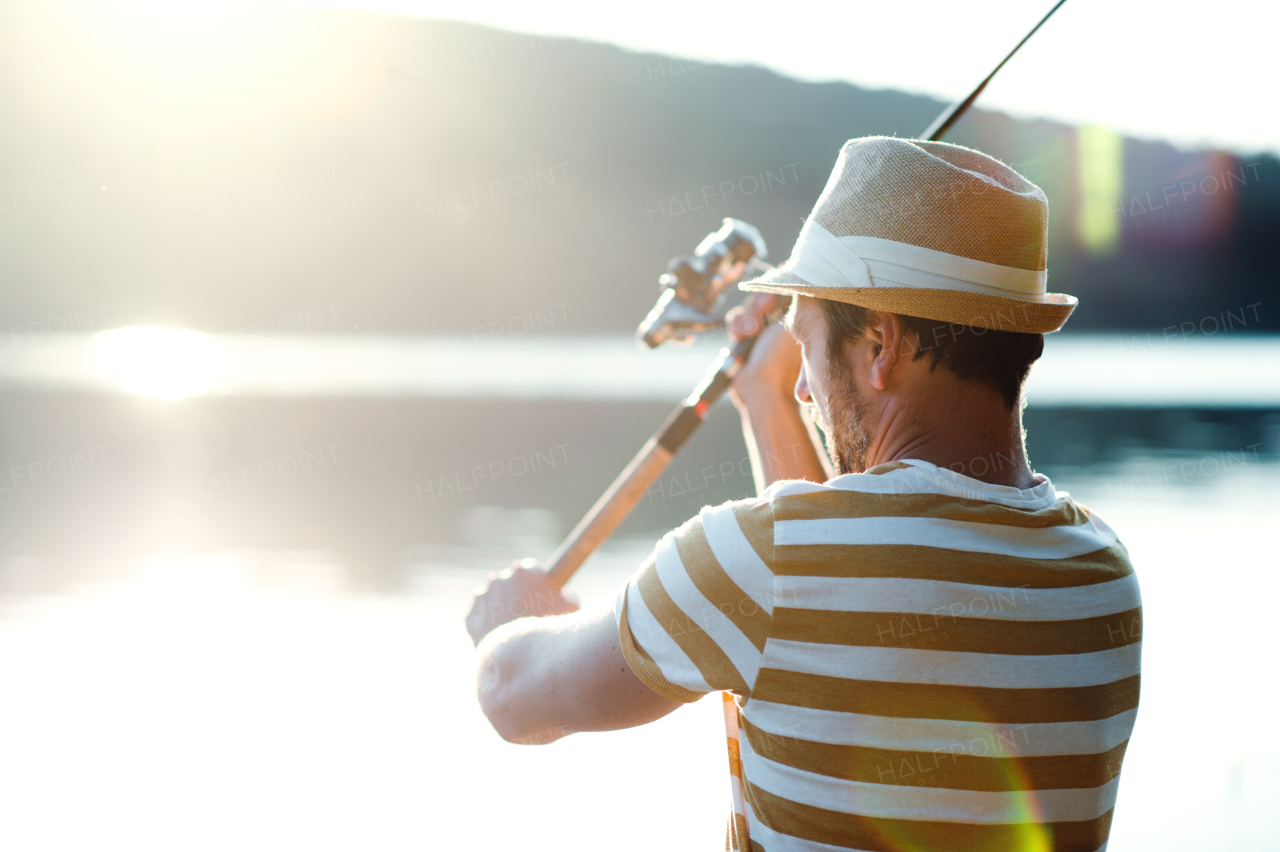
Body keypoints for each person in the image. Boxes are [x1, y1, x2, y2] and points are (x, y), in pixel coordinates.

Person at [465, 137, 1141, 852]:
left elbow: (514, 695)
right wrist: (764, 397)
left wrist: (504, 626)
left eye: (807, 347)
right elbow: (836, 597)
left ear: (880, 345)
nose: (802, 385)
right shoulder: (1102, 575)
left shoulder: (761, 559)